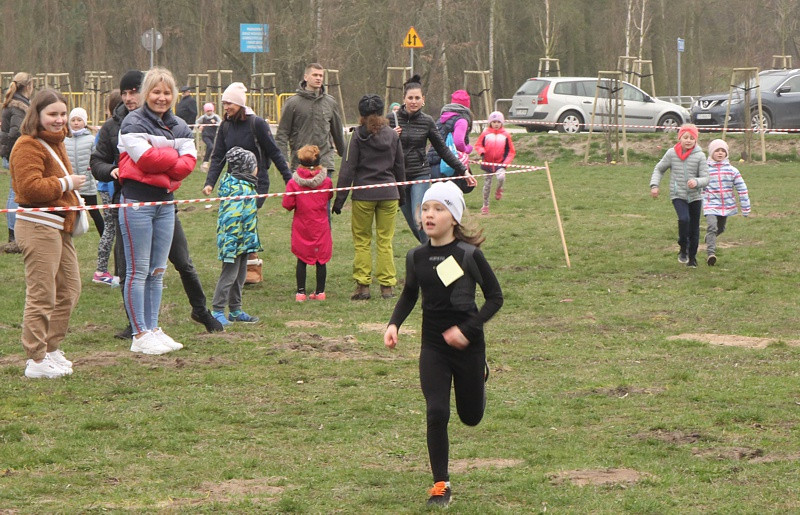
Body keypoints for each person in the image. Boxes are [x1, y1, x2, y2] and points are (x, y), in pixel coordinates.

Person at [383, 181, 503, 507]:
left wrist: (467, 330)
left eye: (438, 209)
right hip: (433, 346)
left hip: (468, 346)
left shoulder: (468, 256)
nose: (429, 215)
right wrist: (394, 323)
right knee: (436, 411)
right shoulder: (416, 257)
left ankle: (479, 374)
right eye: (425, 209)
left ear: (453, 217)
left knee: (471, 417)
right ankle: (441, 484)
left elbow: (495, 298)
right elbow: (410, 293)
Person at [92, 70, 222, 337]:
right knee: (130, 270)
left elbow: (183, 161)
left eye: (133, 92)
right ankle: (136, 326)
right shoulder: (114, 126)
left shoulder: (173, 123)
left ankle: (200, 310)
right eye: (125, 93)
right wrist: (112, 171)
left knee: (181, 262)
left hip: (164, 203)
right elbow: (97, 162)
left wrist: (159, 167)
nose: (129, 97)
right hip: (129, 203)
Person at [117, 66, 197, 355]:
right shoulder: (132, 122)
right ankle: (139, 334)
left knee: (158, 270)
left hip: (165, 204)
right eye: (156, 91)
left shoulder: (181, 125)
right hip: (137, 203)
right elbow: (145, 159)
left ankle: (152, 327)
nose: (161, 97)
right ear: (146, 93)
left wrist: (164, 162)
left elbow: (189, 163)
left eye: (166, 92)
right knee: (137, 272)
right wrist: (172, 158)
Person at [10, 89, 85, 378]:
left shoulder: (57, 141)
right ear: (37, 115)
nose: (59, 119)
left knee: (69, 289)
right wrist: (66, 183)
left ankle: (52, 349)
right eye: (52, 114)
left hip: (59, 226)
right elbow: (29, 188)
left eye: (63, 114)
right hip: (37, 224)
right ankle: (35, 359)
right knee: (42, 293)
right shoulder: (27, 145)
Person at [332, 94, 405, 300]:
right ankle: (387, 287)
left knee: (363, 240)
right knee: (385, 240)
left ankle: (363, 286)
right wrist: (402, 196)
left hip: (364, 194)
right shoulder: (392, 135)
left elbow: (348, 169)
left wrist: (339, 200)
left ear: (361, 114)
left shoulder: (357, 135)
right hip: (389, 194)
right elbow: (400, 166)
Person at [388, 75, 475, 244]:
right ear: (404, 99)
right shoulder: (391, 120)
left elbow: (443, 149)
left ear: (423, 100)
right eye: (410, 98)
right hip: (398, 176)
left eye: (417, 98)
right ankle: (428, 250)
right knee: (413, 224)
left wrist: (463, 170)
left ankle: (432, 252)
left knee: (419, 218)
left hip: (420, 173)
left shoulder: (427, 121)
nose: (414, 101)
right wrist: (391, 136)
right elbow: (379, 145)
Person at [203, 82, 292, 208]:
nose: (225, 107)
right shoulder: (225, 126)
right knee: (232, 223)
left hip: (257, 183)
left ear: (239, 104)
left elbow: (275, 152)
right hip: (233, 184)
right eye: (224, 104)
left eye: (229, 103)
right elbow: (218, 156)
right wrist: (209, 183)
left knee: (246, 220)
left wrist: (289, 180)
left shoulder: (257, 123)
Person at [210, 147, 262, 326]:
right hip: (233, 241)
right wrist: (231, 244)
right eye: (255, 165)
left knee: (240, 276)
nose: (257, 169)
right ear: (246, 168)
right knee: (229, 276)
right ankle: (217, 310)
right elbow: (231, 217)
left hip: (244, 240)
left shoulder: (247, 186)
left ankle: (235, 310)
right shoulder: (238, 189)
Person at [650, 123, 709, 268]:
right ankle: (683, 247)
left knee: (694, 228)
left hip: (695, 196)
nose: (688, 141)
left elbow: (706, 178)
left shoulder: (700, 156)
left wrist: (696, 182)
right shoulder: (671, 153)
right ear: (680, 138)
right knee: (684, 219)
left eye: (691, 138)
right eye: (685, 137)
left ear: (696, 140)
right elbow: (659, 169)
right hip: (678, 194)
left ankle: (692, 258)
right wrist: (655, 185)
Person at [276, 63, 345, 179]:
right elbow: (282, 134)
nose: (318, 78)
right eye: (315, 75)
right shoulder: (292, 103)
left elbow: (338, 132)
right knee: (301, 197)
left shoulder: (330, 102)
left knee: (324, 198)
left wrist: (345, 156)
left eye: (320, 76)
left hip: (324, 163)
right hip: (300, 164)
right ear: (306, 77)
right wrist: (283, 160)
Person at [282, 144, 333, 302]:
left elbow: (287, 204)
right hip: (321, 225)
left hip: (302, 225)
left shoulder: (293, 183)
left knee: (301, 258)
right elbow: (329, 196)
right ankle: (320, 292)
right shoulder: (326, 182)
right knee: (321, 260)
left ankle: (301, 292)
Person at [1, 72, 34, 252]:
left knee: (14, 192)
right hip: (16, 153)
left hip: (10, 152)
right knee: (15, 193)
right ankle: (14, 236)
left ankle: (15, 234)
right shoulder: (19, 106)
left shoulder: (12, 103)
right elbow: (16, 131)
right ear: (28, 86)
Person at [703, 139, 750, 266]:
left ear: (726, 153)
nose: (719, 153)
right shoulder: (704, 170)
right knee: (712, 226)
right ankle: (711, 253)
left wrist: (745, 207)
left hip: (725, 205)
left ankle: (709, 238)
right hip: (710, 204)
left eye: (722, 151)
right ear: (711, 153)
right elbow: (697, 184)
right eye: (717, 151)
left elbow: (742, 188)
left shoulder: (732, 171)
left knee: (721, 228)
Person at [92, 89, 122, 286]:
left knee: (114, 228)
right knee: (112, 228)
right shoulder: (109, 129)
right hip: (109, 186)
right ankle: (102, 270)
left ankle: (117, 270)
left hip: (106, 186)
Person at [65, 107, 104, 238]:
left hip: (87, 184)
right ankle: (67, 238)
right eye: (73, 120)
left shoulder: (91, 140)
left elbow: (96, 158)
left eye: (79, 120)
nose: (76, 123)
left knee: (95, 213)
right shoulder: (64, 140)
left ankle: (104, 237)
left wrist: (91, 173)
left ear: (85, 122)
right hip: (71, 185)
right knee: (68, 214)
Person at [474, 111, 516, 215]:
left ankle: (499, 189)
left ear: (502, 123)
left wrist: (505, 163)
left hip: (500, 164)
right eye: (494, 122)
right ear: (490, 123)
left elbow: (511, 151)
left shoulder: (506, 135)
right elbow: (478, 145)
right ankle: (485, 205)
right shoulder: (485, 134)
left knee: (501, 178)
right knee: (487, 185)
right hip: (487, 164)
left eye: (498, 122)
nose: (496, 124)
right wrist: (481, 152)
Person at [195, 102, 221, 172]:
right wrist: (199, 126)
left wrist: (215, 123)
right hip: (205, 135)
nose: (209, 112)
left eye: (210, 111)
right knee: (210, 146)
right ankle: (205, 162)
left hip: (213, 135)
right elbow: (197, 122)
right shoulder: (203, 117)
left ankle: (207, 164)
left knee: (211, 149)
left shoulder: (216, 117)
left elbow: (220, 123)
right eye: (207, 111)